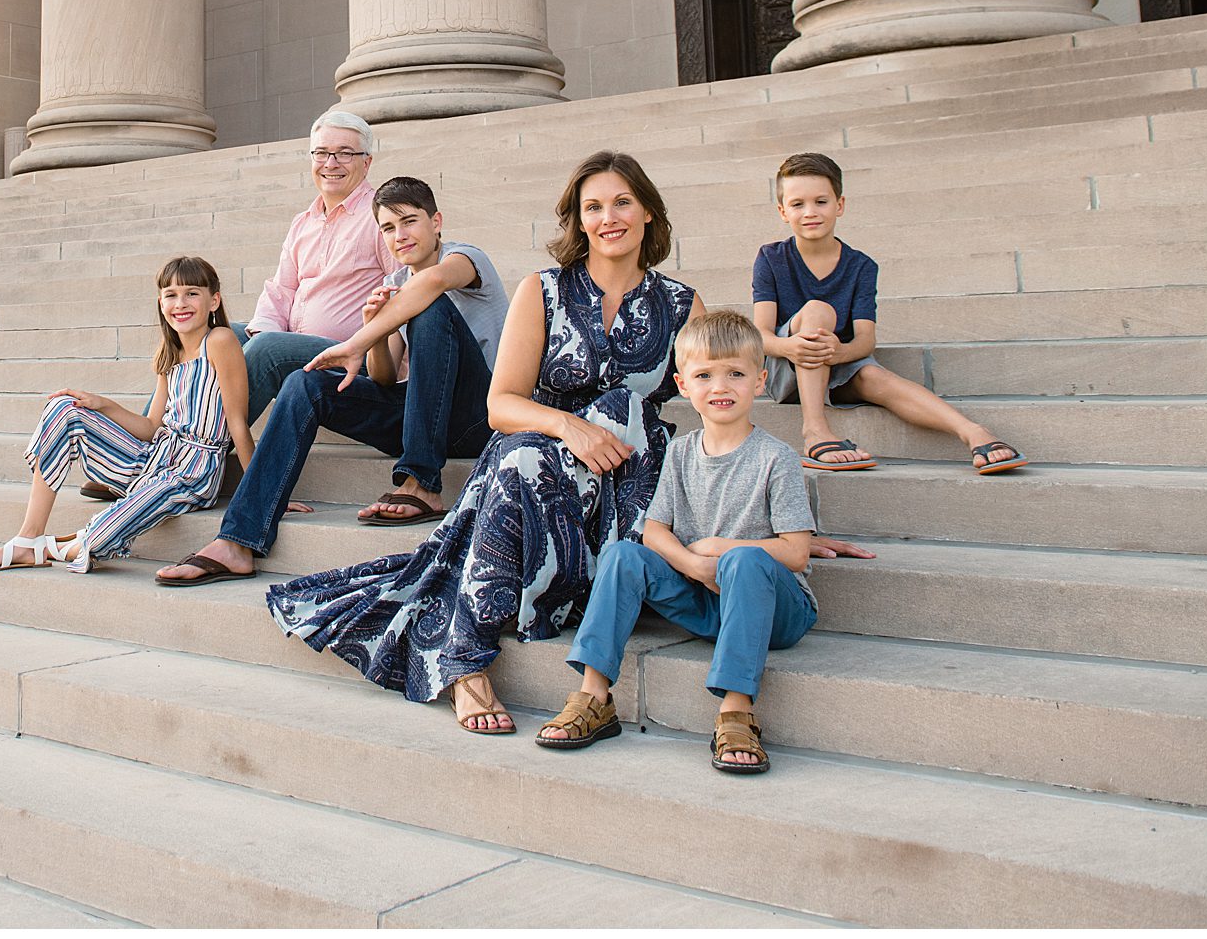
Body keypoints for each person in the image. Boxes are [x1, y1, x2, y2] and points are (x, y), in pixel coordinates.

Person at [266, 151, 694, 737]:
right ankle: (464, 661)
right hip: (545, 443)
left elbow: (727, 387)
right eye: (593, 206)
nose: (608, 217)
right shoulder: (542, 290)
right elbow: (502, 405)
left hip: (630, 466)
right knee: (521, 460)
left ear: (648, 211)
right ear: (578, 218)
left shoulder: (680, 304)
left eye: (622, 202)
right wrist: (570, 426)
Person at [153, 176, 506, 586]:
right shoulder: (393, 287)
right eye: (388, 229)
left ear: (436, 221)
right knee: (305, 383)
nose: (400, 236)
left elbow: (432, 283)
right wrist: (376, 330)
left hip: (479, 417)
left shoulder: (466, 258)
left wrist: (358, 340)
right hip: (421, 413)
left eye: (409, 222)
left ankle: (421, 483)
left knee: (430, 305)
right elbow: (385, 376)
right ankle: (238, 540)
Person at [536, 308, 818, 773]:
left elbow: (795, 551)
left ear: (760, 381)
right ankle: (594, 697)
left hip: (774, 611)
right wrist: (693, 564)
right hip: (707, 597)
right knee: (624, 553)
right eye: (704, 375)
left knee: (745, 562)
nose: (720, 387)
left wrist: (719, 550)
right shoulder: (682, 451)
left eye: (735, 374)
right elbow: (654, 529)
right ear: (684, 385)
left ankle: (736, 711)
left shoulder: (777, 459)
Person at [79, 109, 389, 500]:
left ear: (367, 161)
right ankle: (139, 451)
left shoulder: (382, 215)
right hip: (297, 339)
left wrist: (380, 350)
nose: (331, 163)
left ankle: (171, 458)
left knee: (267, 348)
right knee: (217, 334)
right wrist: (259, 330)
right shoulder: (303, 222)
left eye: (344, 153)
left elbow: (401, 290)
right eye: (321, 153)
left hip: (347, 355)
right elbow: (280, 291)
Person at [0, 256, 252, 575]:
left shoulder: (220, 341)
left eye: (191, 293)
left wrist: (259, 490)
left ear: (214, 300)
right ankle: (27, 538)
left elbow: (237, 423)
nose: (180, 303)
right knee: (65, 408)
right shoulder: (170, 352)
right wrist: (101, 404)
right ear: (160, 302)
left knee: (100, 538)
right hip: (153, 457)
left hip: (191, 473)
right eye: (170, 295)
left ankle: (61, 545)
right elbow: (149, 427)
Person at [755, 152, 1026, 475]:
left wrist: (839, 351)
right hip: (786, 369)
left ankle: (973, 432)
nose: (810, 212)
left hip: (836, 362)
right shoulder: (772, 258)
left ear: (840, 205)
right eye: (798, 204)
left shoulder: (861, 266)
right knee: (817, 311)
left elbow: (865, 341)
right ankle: (815, 430)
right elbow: (761, 336)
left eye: (821, 202)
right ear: (783, 211)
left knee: (875, 376)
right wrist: (792, 346)